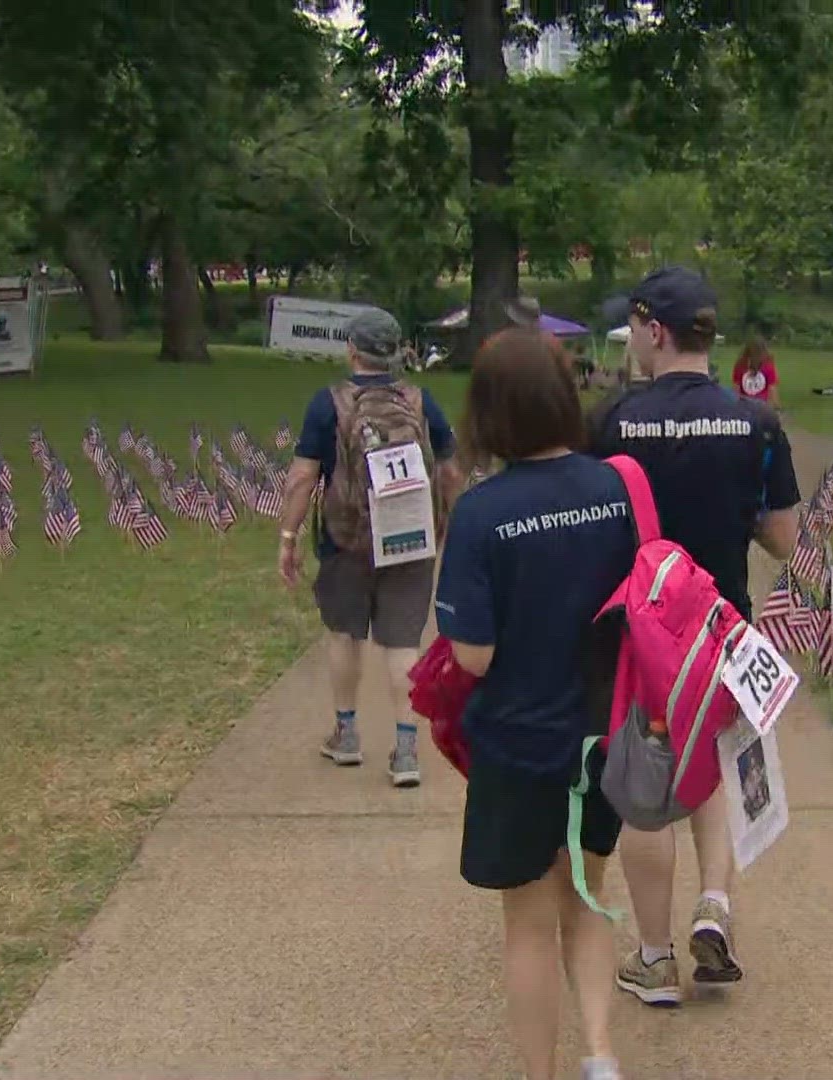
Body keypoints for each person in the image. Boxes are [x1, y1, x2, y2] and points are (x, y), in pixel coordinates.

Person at [591, 265, 801, 1007]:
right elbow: (781, 538)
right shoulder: (759, 423)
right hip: (724, 627)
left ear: (655, 330)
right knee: (711, 761)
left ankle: (653, 959)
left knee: (648, 786)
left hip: (644, 634)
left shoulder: (613, 419)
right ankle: (715, 903)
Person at [436, 329, 637, 1080]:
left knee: (526, 919)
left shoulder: (483, 513)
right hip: (602, 735)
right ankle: (601, 1053)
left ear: (488, 412)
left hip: (518, 745)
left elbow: (472, 656)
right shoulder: (618, 488)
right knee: (589, 898)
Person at [277, 308, 460, 786]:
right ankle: (405, 750)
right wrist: (451, 525)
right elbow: (450, 470)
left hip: (347, 541)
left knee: (344, 635)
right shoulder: (422, 402)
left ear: (352, 351)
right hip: (411, 539)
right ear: (396, 352)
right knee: (403, 644)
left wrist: (288, 536)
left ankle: (347, 733)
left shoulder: (329, 403)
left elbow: (302, 477)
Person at [731, 339, 778, 406]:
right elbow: (772, 388)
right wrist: (776, 406)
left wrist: (735, 405)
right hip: (761, 406)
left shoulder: (740, 365)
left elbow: (736, 388)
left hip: (744, 404)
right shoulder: (768, 366)